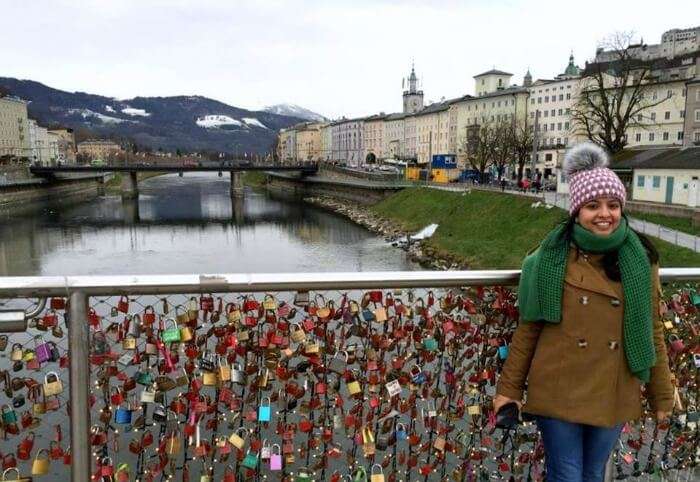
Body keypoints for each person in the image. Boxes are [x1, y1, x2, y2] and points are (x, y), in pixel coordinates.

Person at [493, 142, 674, 482]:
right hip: (559, 386)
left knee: (593, 473)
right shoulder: (547, 260)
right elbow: (529, 329)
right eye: (593, 205)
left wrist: (661, 393)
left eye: (612, 205)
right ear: (576, 211)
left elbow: (652, 330)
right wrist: (510, 389)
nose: (604, 214)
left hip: (614, 387)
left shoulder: (640, 260)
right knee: (566, 474)